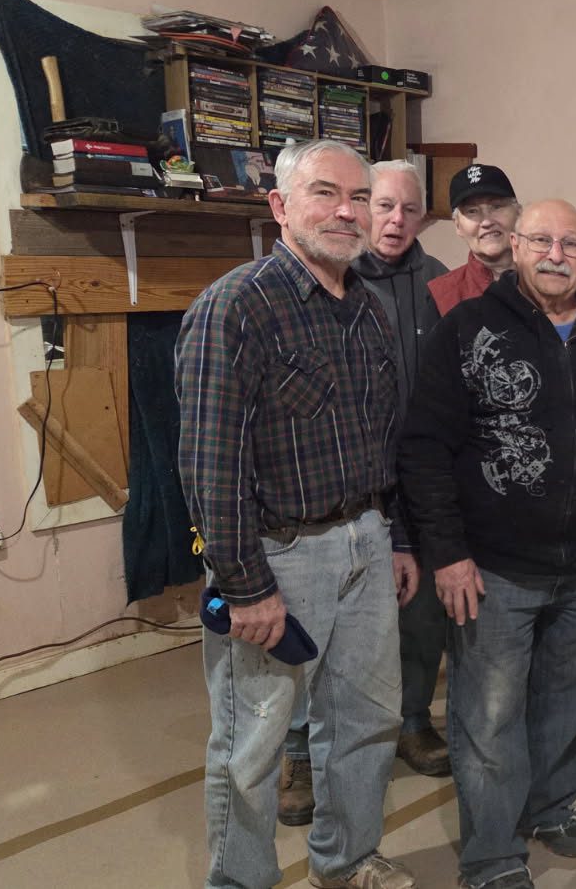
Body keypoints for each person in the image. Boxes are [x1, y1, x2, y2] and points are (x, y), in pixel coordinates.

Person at [177, 138, 416, 889]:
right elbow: (210, 462)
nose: (346, 212)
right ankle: (240, 881)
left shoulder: (367, 309)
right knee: (252, 743)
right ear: (280, 206)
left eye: (359, 197)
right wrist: (245, 585)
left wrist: (396, 537)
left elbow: (385, 439)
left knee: (366, 722)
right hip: (279, 556)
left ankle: (345, 863)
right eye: (325, 193)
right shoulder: (236, 307)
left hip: (367, 541)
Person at [397, 200, 576, 889]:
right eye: (540, 240)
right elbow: (424, 448)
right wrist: (448, 553)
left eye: (571, 244)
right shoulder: (466, 329)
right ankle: (490, 855)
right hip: (491, 569)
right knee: (489, 717)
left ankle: (552, 807)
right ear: (514, 246)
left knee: (568, 701)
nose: (555, 255)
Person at [277, 160, 453, 826]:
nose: (395, 220)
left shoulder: (440, 284)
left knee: (421, 615)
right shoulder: (335, 278)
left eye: (410, 209)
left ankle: (411, 720)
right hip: (348, 477)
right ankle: (299, 748)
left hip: (421, 475)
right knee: (317, 625)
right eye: (383, 205)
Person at [428, 162, 520, 314]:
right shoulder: (441, 297)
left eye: (496, 206)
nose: (487, 222)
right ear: (458, 226)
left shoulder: (549, 281)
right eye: (472, 211)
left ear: (518, 213)